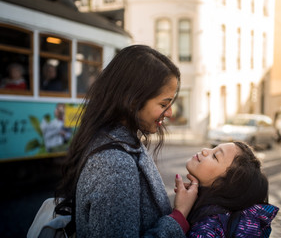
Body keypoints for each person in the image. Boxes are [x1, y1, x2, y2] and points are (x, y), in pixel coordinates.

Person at [54, 45, 199, 237]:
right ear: (131, 100)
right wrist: (179, 216)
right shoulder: (114, 163)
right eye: (164, 104)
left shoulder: (115, 142)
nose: (170, 112)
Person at [183, 141, 279, 238]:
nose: (204, 150)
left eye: (215, 156)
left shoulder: (207, 228)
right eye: (214, 148)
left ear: (223, 184)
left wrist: (179, 214)